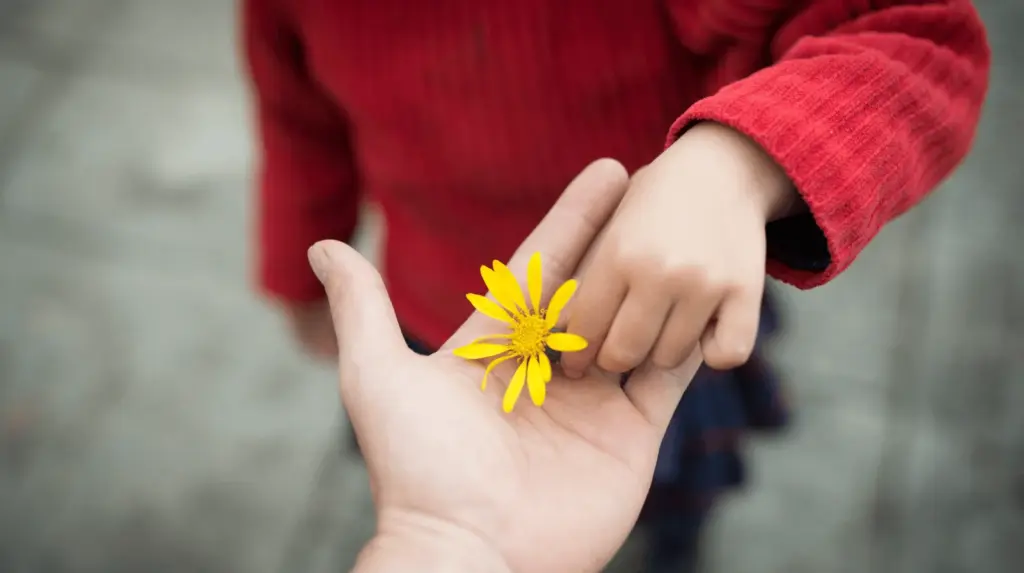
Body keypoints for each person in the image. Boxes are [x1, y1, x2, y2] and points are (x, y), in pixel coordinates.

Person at [242, 1, 990, 570]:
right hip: (441, 320)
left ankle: (673, 542)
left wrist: (740, 161)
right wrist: (296, 275)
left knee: (668, 484)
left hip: (656, 331)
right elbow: (297, 121)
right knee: (431, 458)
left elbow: (915, 40)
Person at [307, 170, 706, 573]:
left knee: (685, 469)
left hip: (651, 269)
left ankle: (678, 539)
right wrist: (441, 534)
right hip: (428, 302)